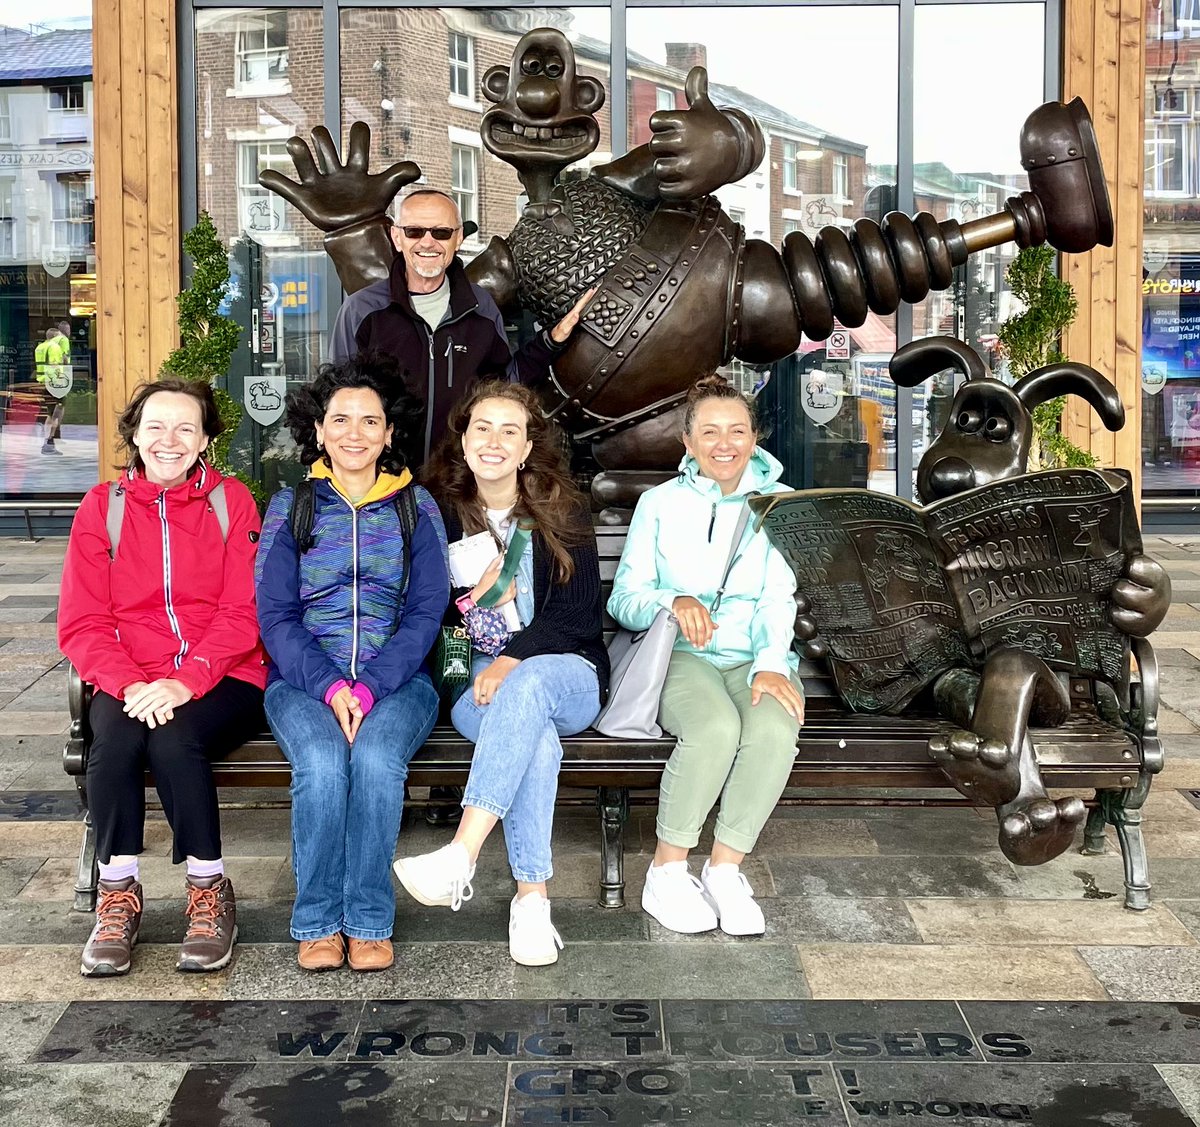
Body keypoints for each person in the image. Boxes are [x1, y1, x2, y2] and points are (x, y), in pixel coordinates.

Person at [392, 381, 609, 967]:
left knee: (529, 688)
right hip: (474, 674)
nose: (494, 441)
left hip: (566, 671)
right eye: (482, 427)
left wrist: (516, 658)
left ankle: (461, 853)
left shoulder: (562, 510)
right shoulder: (433, 512)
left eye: (509, 430)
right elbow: (425, 619)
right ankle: (532, 900)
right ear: (462, 438)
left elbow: (582, 614)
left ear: (528, 444)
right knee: (533, 739)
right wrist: (472, 607)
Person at [58, 377, 267, 977]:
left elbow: (242, 612)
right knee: (116, 740)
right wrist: (130, 683)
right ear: (135, 434)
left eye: (185, 428)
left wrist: (185, 680)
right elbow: (82, 620)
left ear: (205, 439)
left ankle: (208, 889)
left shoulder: (232, 502)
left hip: (224, 674)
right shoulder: (103, 507)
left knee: (177, 740)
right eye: (155, 426)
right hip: (128, 676)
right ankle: (117, 893)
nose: (168, 440)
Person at [255, 355, 449, 973]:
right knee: (318, 761)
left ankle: (367, 919)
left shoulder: (416, 508)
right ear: (319, 429)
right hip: (302, 683)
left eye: (371, 421)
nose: (355, 433)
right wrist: (330, 683)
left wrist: (368, 688)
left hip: (399, 683)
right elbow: (276, 615)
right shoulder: (292, 507)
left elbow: (426, 614)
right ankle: (316, 919)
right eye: (341, 419)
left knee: (374, 759)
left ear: (389, 433)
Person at [607, 375, 805, 937]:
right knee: (715, 729)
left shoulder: (781, 506)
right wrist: (674, 600)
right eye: (710, 432)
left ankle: (724, 870)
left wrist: (771, 660)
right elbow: (625, 599)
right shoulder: (659, 504)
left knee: (773, 728)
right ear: (688, 443)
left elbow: (777, 597)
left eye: (737, 431)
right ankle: (667, 871)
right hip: (681, 656)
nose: (725, 444)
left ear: (755, 437)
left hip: (752, 657)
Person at [329, 188, 592, 467]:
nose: (427, 243)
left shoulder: (481, 307)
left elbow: (503, 383)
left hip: (459, 479)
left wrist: (552, 341)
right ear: (397, 237)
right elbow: (339, 401)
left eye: (441, 233)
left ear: (458, 238)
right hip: (385, 482)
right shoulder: (362, 310)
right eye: (414, 232)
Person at [34, 326, 69, 455]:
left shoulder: (40, 347)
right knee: (57, 412)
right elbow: (55, 364)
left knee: (50, 413)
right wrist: (61, 379)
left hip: (43, 382)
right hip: (54, 383)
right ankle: (50, 441)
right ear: (55, 336)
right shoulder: (54, 347)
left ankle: (47, 441)